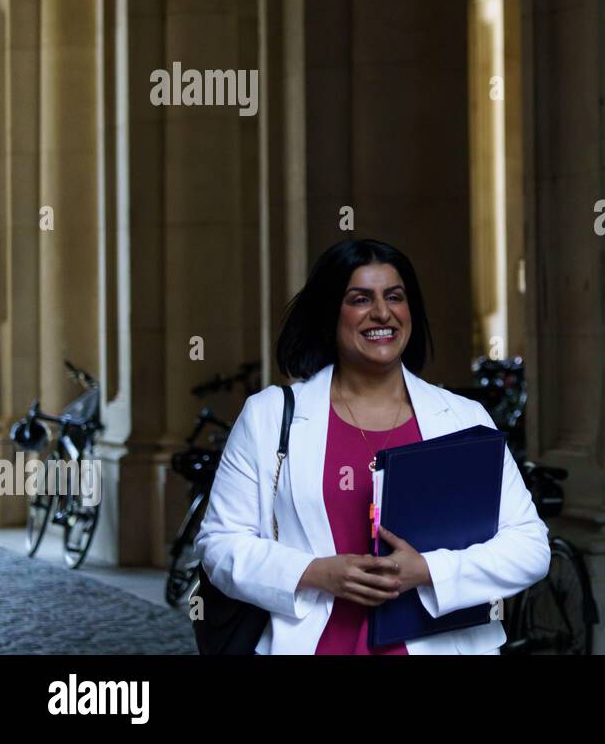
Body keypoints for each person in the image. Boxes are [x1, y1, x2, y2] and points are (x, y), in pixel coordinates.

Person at [195, 238, 550, 654]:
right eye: (360, 299)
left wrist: (428, 570)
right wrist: (314, 572)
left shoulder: (463, 418)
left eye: (394, 297)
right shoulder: (270, 416)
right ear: (331, 314)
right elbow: (219, 544)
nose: (382, 313)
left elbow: (530, 546)